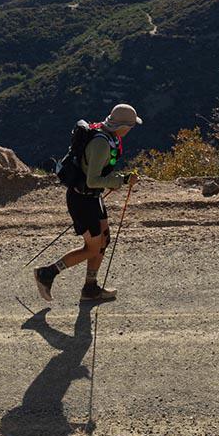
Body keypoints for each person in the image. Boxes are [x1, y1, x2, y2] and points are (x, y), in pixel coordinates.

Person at [34, 103, 141, 303]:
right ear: (123, 126)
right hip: (83, 200)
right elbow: (93, 180)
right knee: (92, 247)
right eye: (131, 126)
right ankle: (47, 273)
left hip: (91, 197)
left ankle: (90, 289)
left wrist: (118, 179)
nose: (131, 130)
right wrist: (123, 180)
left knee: (103, 240)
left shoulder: (106, 135)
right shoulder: (102, 143)